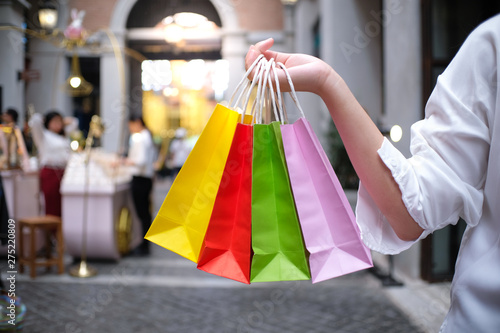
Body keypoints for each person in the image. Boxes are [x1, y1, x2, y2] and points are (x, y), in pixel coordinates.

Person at [245, 14, 500, 332]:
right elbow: (412, 212)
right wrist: (326, 81)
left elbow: (415, 211)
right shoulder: (492, 45)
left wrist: (328, 82)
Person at [29, 111, 78, 217]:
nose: (58, 124)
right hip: (50, 171)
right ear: (48, 122)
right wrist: (44, 118)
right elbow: (35, 121)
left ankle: (59, 230)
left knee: (62, 203)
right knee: (51, 201)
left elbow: (74, 122)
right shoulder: (43, 136)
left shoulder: (63, 136)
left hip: (64, 172)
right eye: (54, 121)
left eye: (60, 121)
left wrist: (64, 121)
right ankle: (50, 230)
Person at [126, 114, 155, 255]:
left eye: (130, 125)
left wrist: (125, 161)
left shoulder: (140, 138)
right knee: (145, 213)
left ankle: (144, 245)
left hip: (140, 179)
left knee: (142, 213)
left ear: (137, 122)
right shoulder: (146, 136)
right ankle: (145, 243)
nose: (130, 128)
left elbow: (140, 160)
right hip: (145, 179)